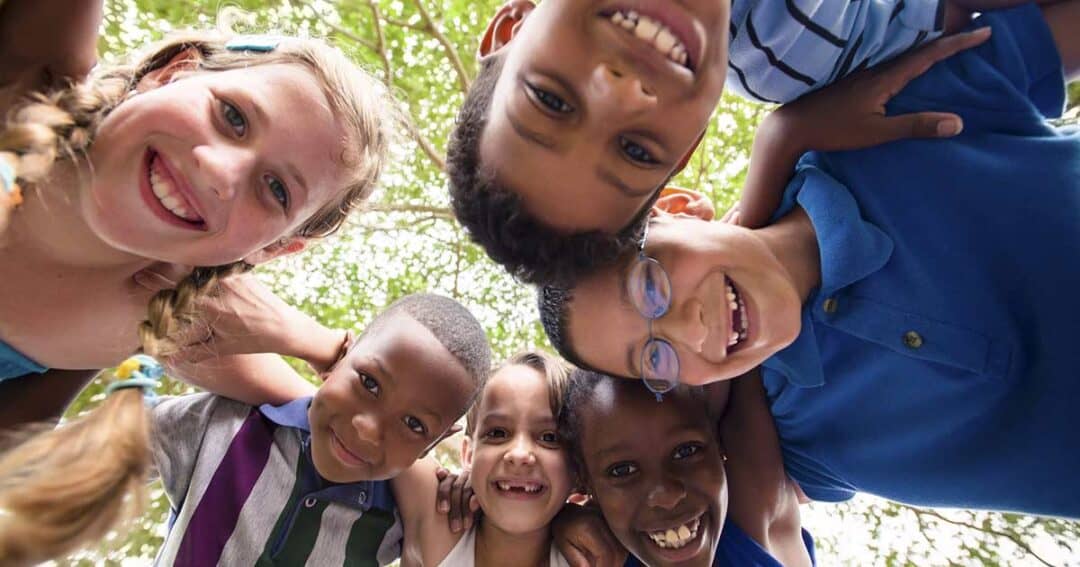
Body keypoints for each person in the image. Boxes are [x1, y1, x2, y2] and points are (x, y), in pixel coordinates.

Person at [540, 3, 1080, 519]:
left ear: (678, 209)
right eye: (655, 357)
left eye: (651, 287)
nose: (689, 330)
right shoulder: (792, 440)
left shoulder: (886, 117)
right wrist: (783, 137)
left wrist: (786, 135)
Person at [444, 0, 1046, 284]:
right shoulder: (798, 52)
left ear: (514, 23)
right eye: (636, 151)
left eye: (551, 100)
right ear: (688, 145)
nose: (624, 95)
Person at [0, 21, 395, 408]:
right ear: (171, 73)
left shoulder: (156, 314)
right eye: (233, 117)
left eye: (276, 190)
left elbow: (341, 423)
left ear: (274, 248)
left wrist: (326, 347)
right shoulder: (26, 81)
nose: (221, 172)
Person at [0, 293, 492, 565]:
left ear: (436, 443)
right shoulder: (225, 424)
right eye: (367, 382)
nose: (367, 430)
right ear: (337, 360)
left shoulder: (404, 521)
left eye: (413, 424)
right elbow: (43, 466)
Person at [559, 369, 816, 567]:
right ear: (585, 482)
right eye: (623, 470)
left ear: (719, 444)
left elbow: (744, 361)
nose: (667, 496)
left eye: (686, 451)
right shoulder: (596, 555)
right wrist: (554, 522)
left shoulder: (754, 513)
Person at [393, 351, 574, 566]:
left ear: (579, 467)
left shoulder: (596, 552)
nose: (519, 454)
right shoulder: (436, 514)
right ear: (469, 455)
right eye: (497, 433)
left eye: (549, 437)